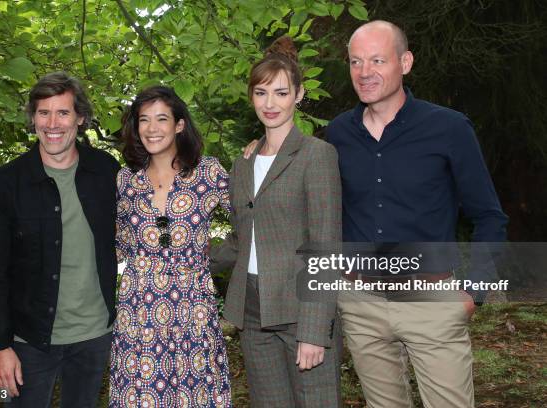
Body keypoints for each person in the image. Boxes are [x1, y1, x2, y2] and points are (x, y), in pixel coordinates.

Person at [325, 21, 509, 407]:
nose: (365, 72)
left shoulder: (449, 128)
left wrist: (475, 291)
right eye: (356, 62)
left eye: (378, 60)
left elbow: (490, 216)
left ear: (405, 62)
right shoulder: (339, 134)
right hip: (361, 304)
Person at [212, 36, 343, 407]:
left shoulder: (317, 156)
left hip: (301, 309)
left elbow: (326, 247)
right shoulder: (244, 163)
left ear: (299, 95)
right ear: (251, 96)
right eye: (261, 93)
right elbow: (242, 238)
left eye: (281, 93)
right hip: (253, 311)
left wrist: (316, 330)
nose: (270, 104)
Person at [0, 72, 120, 407]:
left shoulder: (106, 171)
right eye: (44, 113)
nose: (53, 123)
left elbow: (155, 189)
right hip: (29, 341)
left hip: (94, 336)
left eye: (63, 113)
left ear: (80, 118)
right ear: (33, 119)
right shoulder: (5, 184)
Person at [110, 86, 232, 407]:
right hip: (138, 314)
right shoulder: (125, 180)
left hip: (193, 311)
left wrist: (214, 259)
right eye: (144, 120)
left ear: (179, 125)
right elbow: (118, 245)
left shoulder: (208, 173)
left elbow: (253, 218)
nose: (152, 128)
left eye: (161, 119)